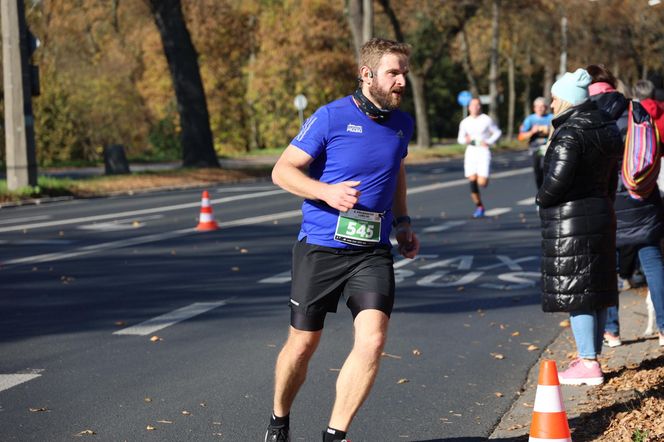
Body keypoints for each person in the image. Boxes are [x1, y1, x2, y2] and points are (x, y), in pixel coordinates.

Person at [265, 37, 419, 442]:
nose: (402, 80)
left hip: (371, 251)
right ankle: (279, 420)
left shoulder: (403, 123)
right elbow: (282, 171)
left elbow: (396, 171)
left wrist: (402, 222)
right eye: (394, 72)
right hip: (320, 247)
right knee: (302, 345)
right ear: (367, 75)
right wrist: (325, 192)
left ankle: (335, 435)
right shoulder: (331, 117)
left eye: (405, 72)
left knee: (373, 340)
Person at [537, 68, 623, 386]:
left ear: (569, 100)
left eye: (556, 97)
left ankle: (588, 362)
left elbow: (556, 181)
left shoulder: (571, 132)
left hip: (573, 219)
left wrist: (541, 198)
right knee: (596, 289)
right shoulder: (605, 125)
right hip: (601, 211)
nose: (552, 102)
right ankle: (591, 356)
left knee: (580, 293)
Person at [590, 74, 664, 349]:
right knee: (653, 260)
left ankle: (611, 331)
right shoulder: (637, 108)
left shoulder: (590, 115)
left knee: (609, 266)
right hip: (643, 194)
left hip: (610, 199)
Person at [457, 97, 502, 218]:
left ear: (480, 106)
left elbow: (497, 132)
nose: (475, 107)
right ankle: (479, 206)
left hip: (483, 151)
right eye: (473, 105)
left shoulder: (486, 119)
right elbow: (460, 139)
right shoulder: (465, 122)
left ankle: (484, 178)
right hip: (471, 151)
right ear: (469, 107)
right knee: (472, 179)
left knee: (481, 182)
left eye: (477, 105)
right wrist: (465, 140)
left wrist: (488, 141)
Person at [518, 97, 553, 189]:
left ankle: (548, 193)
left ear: (546, 107)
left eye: (542, 106)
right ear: (534, 108)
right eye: (538, 106)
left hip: (549, 148)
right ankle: (540, 194)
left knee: (546, 170)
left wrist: (549, 131)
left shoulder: (551, 117)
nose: (540, 108)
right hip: (535, 149)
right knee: (538, 173)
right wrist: (532, 132)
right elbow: (521, 137)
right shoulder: (530, 119)